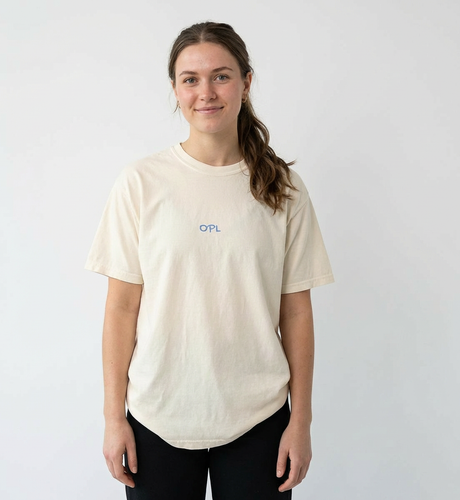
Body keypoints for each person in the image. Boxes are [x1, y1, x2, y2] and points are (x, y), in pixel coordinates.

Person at [85, 21, 334, 500]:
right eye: (191, 79)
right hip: (157, 416)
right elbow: (121, 307)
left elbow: (296, 312)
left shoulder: (282, 188)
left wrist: (300, 421)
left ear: (246, 82)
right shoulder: (141, 182)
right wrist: (113, 418)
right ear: (175, 89)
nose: (206, 92)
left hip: (259, 417)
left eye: (221, 76)